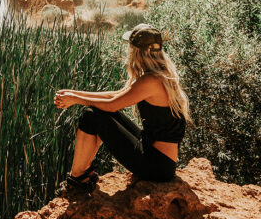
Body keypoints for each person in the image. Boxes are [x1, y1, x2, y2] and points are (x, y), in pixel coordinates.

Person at [54, 23, 190, 193]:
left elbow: (112, 105)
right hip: (159, 160)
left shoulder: (151, 81)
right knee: (96, 112)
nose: (129, 52)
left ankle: (77, 179)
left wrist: (76, 99)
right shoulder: (158, 76)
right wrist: (74, 94)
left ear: (139, 52)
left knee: (91, 115)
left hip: (156, 166)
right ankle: (82, 175)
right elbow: (115, 96)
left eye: (131, 48)